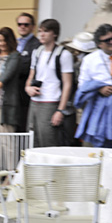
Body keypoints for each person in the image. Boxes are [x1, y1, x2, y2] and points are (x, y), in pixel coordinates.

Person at [24, 19, 74, 147]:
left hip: (51, 102)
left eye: (46, 31)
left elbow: (67, 84)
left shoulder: (64, 54)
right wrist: (28, 88)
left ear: (54, 34)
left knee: (48, 141)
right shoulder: (37, 52)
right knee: (32, 140)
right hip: (35, 101)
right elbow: (31, 75)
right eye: (40, 31)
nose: (42, 34)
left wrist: (60, 110)